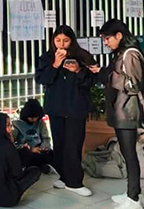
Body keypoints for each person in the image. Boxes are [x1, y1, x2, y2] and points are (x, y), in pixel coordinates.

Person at [35, 25, 97, 197]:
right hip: (56, 108)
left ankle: (75, 182)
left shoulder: (83, 56)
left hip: (76, 107)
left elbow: (93, 80)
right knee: (60, 144)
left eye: (66, 40)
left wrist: (78, 71)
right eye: (58, 40)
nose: (61, 44)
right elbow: (42, 79)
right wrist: (55, 64)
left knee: (74, 144)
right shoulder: (47, 58)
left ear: (72, 41)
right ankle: (64, 177)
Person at [94, 19, 144, 209]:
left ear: (119, 35)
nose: (105, 42)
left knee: (130, 154)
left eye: (107, 38)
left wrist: (109, 76)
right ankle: (134, 193)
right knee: (127, 153)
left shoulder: (130, 54)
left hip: (127, 112)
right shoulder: (120, 53)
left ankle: (134, 200)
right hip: (120, 110)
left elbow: (134, 85)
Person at [12, 99, 55, 173]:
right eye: (32, 118)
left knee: (51, 154)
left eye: (36, 117)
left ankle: (42, 165)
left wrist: (43, 147)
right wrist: (30, 149)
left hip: (39, 148)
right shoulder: (16, 124)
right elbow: (12, 143)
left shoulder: (41, 122)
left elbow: (46, 138)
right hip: (26, 150)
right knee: (26, 156)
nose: (34, 120)